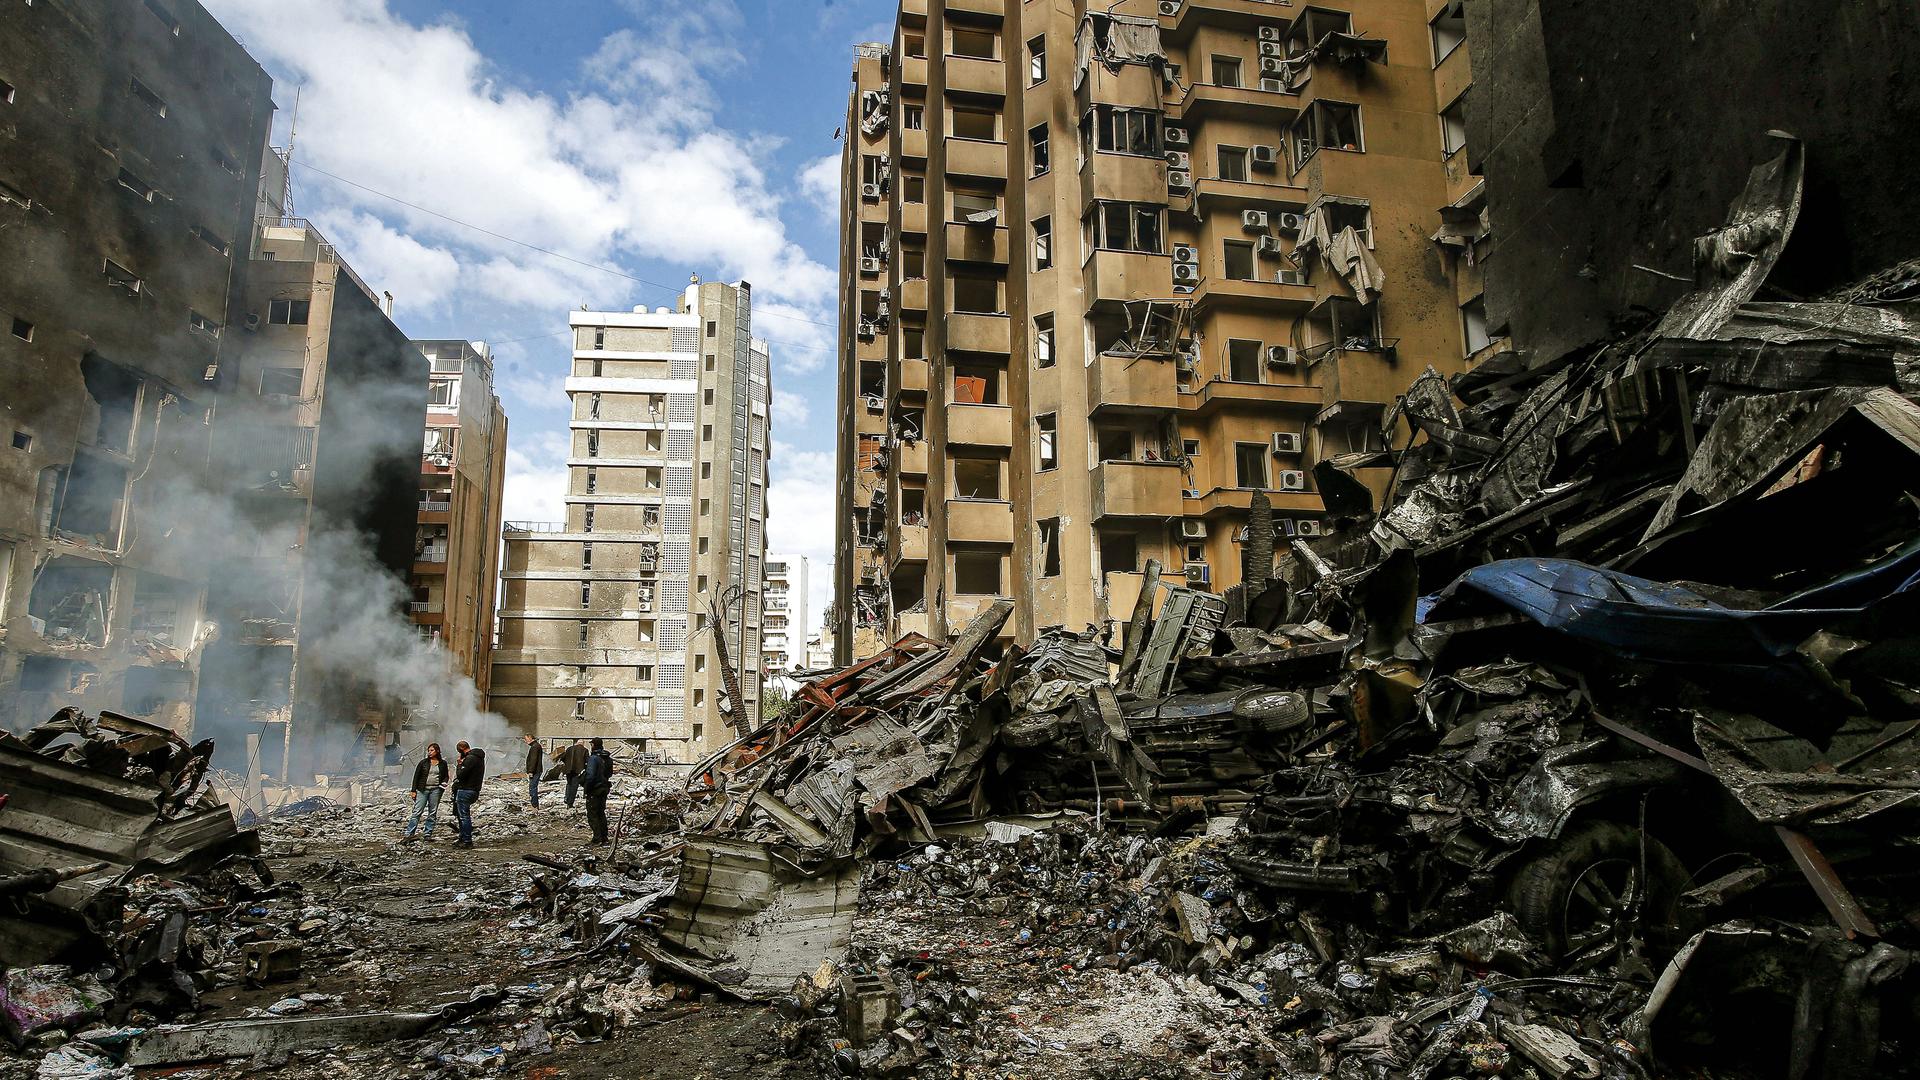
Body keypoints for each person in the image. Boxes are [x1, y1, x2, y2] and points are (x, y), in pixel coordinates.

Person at [402, 742, 447, 842]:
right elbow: (416, 776)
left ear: (437, 751)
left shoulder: (443, 763)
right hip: (423, 790)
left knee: (432, 812)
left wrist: (443, 784)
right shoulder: (423, 763)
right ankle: (409, 834)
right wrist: (413, 790)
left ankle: (428, 834)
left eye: (432, 750)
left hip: (435, 790)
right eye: (429, 750)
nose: (429, 752)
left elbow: (445, 776)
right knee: (417, 811)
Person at [452, 740, 485, 849]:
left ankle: (467, 840)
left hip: (465, 789)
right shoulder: (479, 758)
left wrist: (459, 765)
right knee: (464, 815)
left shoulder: (470, 759)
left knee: (464, 816)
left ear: (461, 749)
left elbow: (461, 775)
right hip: (474, 790)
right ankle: (463, 837)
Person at [581, 738, 615, 846]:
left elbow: (590, 776)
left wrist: (587, 787)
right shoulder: (608, 759)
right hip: (604, 788)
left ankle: (597, 838)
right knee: (601, 813)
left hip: (594, 790)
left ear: (593, 745)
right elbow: (609, 774)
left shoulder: (593, 759)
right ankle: (604, 837)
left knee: (592, 814)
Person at [558, 738, 589, 808]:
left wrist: (567, 765)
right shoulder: (585, 750)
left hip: (568, 770)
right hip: (578, 771)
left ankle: (566, 798)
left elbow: (562, 757)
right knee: (574, 787)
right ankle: (570, 803)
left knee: (569, 784)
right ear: (583, 744)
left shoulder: (569, 748)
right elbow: (587, 761)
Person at [523, 734, 544, 808]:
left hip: (535, 771)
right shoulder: (536, 746)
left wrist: (531, 771)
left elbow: (533, 760)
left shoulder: (535, 747)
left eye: (526, 739)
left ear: (530, 738)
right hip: (536, 770)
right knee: (533, 787)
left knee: (532, 788)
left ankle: (534, 805)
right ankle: (534, 805)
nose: (525, 741)